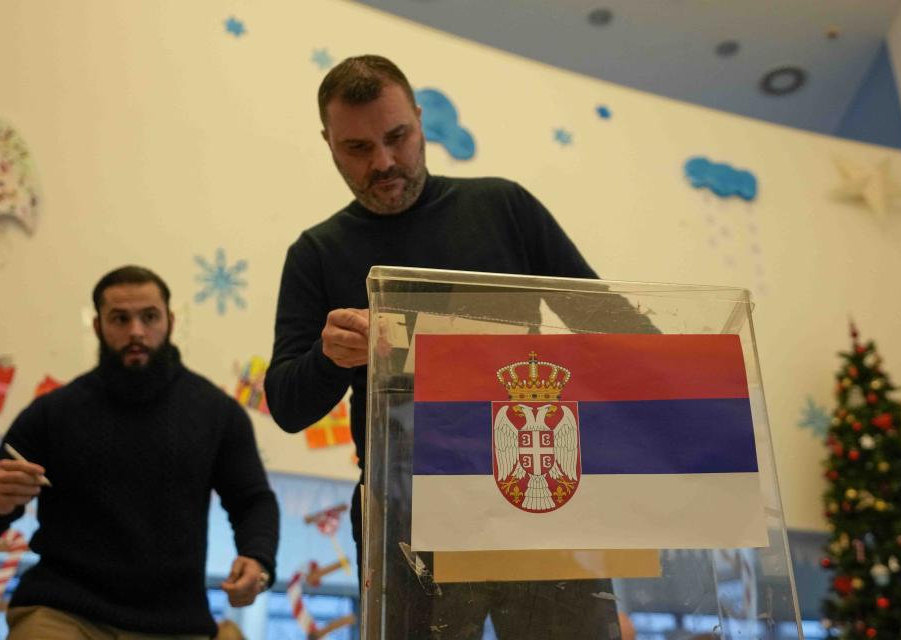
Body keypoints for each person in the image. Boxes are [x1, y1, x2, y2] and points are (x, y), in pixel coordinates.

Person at [264, 55, 654, 639]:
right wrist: (327, 360)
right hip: (404, 515)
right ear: (327, 143)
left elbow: (615, 327)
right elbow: (288, 405)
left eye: (398, 137)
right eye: (357, 148)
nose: (384, 162)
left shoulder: (504, 207)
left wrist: (692, 377)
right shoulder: (316, 253)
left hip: (537, 490)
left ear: (421, 120)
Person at [0, 266, 279, 639]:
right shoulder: (52, 413)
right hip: (62, 611)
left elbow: (253, 501)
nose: (136, 331)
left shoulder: (219, 414)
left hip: (175, 621)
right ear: (98, 327)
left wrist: (258, 559)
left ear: (170, 322)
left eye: (149, 317)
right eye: (120, 319)